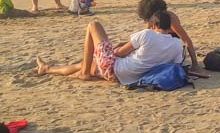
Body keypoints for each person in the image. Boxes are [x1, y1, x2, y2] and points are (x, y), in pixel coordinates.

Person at [35, 9, 183, 84]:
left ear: (154, 25)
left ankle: (84, 73)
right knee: (84, 64)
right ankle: (47, 69)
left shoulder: (147, 34)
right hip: (129, 77)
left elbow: (119, 53)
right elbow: (174, 65)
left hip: (115, 69)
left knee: (94, 25)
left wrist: (114, 50)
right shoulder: (177, 44)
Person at [133, 0, 201, 69]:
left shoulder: (170, 19)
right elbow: (147, 34)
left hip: (170, 51)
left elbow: (186, 41)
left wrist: (195, 64)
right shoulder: (153, 18)